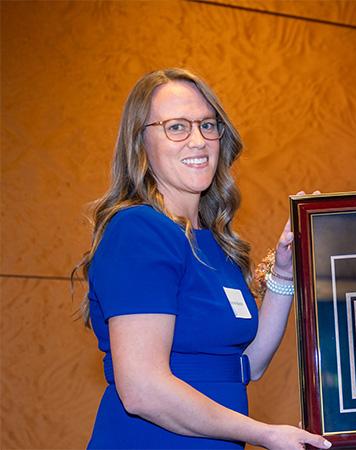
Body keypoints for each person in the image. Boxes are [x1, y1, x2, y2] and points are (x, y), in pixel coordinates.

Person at [75, 68, 330, 450]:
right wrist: (263, 433)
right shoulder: (139, 230)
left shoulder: (213, 242)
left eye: (208, 125)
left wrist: (284, 272)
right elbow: (143, 389)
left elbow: (247, 366)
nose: (198, 141)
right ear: (139, 142)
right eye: (177, 127)